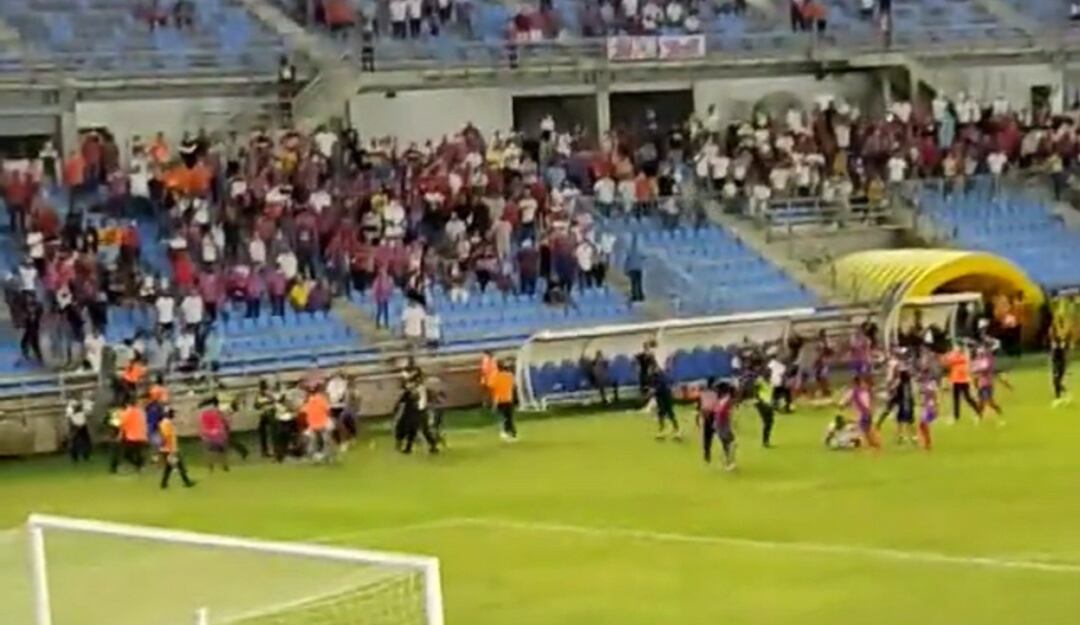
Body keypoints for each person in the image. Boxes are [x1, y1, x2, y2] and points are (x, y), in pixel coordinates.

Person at [942, 343, 982, 423]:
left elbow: (967, 363)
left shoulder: (963, 355)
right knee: (955, 399)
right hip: (955, 380)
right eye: (956, 347)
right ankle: (956, 416)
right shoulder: (952, 355)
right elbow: (946, 364)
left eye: (958, 347)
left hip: (963, 380)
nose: (957, 348)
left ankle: (978, 411)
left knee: (967, 398)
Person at [158, 408, 195, 489]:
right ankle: (187, 482)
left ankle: (163, 484)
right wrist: (171, 451)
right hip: (169, 450)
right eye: (172, 413)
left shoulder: (166, 423)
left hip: (169, 449)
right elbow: (166, 437)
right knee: (180, 466)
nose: (174, 415)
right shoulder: (166, 423)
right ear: (168, 414)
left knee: (169, 468)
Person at [838, 375, 878, 449]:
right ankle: (872, 447)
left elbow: (842, 404)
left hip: (860, 417)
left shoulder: (854, 391)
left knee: (863, 434)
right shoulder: (865, 391)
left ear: (854, 382)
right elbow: (870, 404)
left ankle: (865, 448)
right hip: (866, 415)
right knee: (868, 434)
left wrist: (841, 406)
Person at [972, 344, 1008, 423]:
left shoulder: (987, 360)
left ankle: (999, 415)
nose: (980, 354)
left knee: (989, 402)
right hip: (980, 384)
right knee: (980, 403)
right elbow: (974, 370)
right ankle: (979, 417)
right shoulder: (977, 361)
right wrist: (977, 371)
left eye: (981, 353)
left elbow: (985, 368)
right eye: (979, 353)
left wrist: (978, 369)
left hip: (988, 384)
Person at [110, 399, 148, 473]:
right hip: (140, 436)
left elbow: (121, 424)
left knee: (122, 452)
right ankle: (140, 466)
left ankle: (114, 467)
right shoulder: (140, 412)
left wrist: (119, 434)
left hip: (131, 436)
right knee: (137, 453)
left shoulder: (127, 412)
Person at [199, 397, 231, 472]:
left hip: (211, 434)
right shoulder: (216, 412)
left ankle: (212, 467)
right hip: (218, 434)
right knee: (221, 451)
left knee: (212, 451)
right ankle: (223, 466)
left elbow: (203, 425)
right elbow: (223, 421)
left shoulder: (205, 413)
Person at [649, 365, 681, 440]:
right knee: (661, 413)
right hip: (660, 397)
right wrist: (653, 390)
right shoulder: (654, 377)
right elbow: (655, 386)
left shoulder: (662, 376)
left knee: (669, 413)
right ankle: (662, 431)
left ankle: (677, 430)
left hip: (666, 396)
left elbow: (662, 385)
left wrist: (654, 390)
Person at [302, 386, 333, 462]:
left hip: (317, 424)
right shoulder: (320, 399)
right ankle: (325, 457)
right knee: (323, 441)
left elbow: (304, 411)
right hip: (318, 424)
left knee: (315, 441)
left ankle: (316, 456)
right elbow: (328, 410)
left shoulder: (313, 401)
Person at [490, 361, 518, 441]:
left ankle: (505, 432)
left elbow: (491, 386)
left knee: (502, 417)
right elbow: (514, 385)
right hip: (508, 399)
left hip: (499, 399)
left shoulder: (495, 376)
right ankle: (512, 433)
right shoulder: (509, 375)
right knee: (509, 417)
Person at [66, 393, 93, 463]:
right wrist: (75, 425)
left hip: (81, 424)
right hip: (76, 425)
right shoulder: (70, 407)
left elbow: (87, 414)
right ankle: (76, 457)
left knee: (85, 441)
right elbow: (69, 418)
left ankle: (85, 455)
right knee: (75, 441)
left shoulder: (80, 405)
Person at [917, 371, 939, 451]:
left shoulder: (930, 384)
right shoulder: (923, 385)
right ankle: (927, 443)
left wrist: (936, 406)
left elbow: (934, 395)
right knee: (922, 425)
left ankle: (927, 443)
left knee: (923, 425)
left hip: (928, 406)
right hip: (925, 406)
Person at [752, 375, 776, 448]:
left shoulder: (771, 382)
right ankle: (765, 441)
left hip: (768, 404)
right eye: (767, 372)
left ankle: (766, 440)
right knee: (767, 421)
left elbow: (771, 394)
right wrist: (761, 401)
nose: (769, 374)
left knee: (770, 422)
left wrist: (772, 402)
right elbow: (755, 392)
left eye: (770, 373)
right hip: (761, 403)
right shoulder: (760, 381)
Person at [1050, 322, 1070, 407]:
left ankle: (1058, 398)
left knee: (1056, 380)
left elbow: (1062, 351)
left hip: (1060, 363)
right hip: (1055, 363)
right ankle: (1064, 395)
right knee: (1055, 381)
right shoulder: (1054, 340)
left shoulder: (1060, 341)